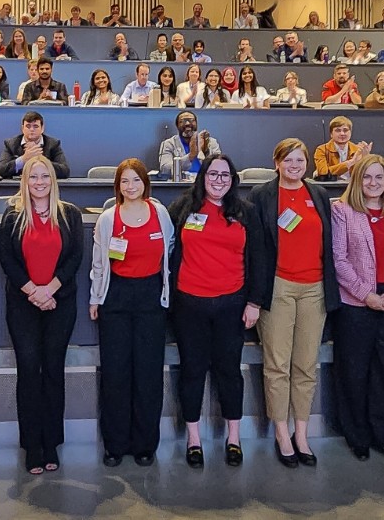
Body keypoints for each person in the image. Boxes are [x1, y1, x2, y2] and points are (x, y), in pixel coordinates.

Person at [247, 138, 339, 469]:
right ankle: (282, 434)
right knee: (277, 366)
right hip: (278, 288)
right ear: (276, 163)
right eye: (288, 160)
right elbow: (255, 249)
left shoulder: (319, 193)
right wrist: (254, 298)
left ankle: (302, 433)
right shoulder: (262, 195)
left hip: (315, 289)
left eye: (300, 160)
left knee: (305, 365)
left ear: (307, 163)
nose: (294, 165)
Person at [167, 154, 258, 469]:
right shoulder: (184, 207)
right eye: (213, 174)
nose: (218, 180)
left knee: (229, 371)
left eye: (225, 175)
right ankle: (194, 439)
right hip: (189, 304)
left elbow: (260, 258)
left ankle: (234, 438)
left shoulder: (245, 212)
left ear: (233, 180)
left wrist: (254, 302)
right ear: (202, 177)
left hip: (231, 305)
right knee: (192, 371)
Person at [0, 155, 83, 475]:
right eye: (33, 177)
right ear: (25, 181)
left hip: (61, 304)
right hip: (23, 305)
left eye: (45, 176)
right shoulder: (13, 215)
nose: (39, 182)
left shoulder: (70, 214)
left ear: (53, 180)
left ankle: (51, 444)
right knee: (29, 371)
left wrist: (50, 291)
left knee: (53, 371)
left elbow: (75, 258)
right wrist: (34, 291)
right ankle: (32, 445)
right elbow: (7, 259)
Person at [330, 154, 384, 465]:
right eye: (366, 176)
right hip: (356, 304)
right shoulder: (342, 210)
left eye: (379, 177)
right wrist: (367, 295)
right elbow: (339, 259)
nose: (373, 182)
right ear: (357, 179)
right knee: (354, 371)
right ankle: (358, 438)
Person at [90, 158, 174, 467]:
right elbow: (99, 263)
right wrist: (95, 298)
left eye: (136, 180)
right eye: (124, 181)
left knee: (148, 374)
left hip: (151, 297)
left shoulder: (160, 214)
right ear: (118, 186)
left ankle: (144, 445)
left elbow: (170, 249)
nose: (130, 186)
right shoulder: (107, 219)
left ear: (145, 183)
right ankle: (115, 444)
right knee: (116, 373)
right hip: (116, 298)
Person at [0, 111, 71, 179]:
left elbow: (65, 171)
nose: (31, 129)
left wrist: (41, 160)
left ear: (42, 128)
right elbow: (0, 170)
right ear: (22, 128)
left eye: (35, 126)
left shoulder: (53, 144)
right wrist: (23, 159)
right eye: (28, 126)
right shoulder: (11, 144)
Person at [159, 111, 221, 178]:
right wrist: (190, 156)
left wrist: (205, 151)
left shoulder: (211, 142)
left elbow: (219, 166)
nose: (187, 123)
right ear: (177, 126)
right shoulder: (168, 144)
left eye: (191, 120)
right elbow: (165, 169)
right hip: (180, 183)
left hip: (205, 182)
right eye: (182, 121)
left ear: (196, 124)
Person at [313, 116, 372, 181]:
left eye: (345, 130)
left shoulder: (358, 150)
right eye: (338, 130)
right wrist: (351, 162)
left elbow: (366, 175)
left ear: (350, 133)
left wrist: (366, 158)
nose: (342, 133)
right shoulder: (322, 149)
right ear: (331, 134)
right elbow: (323, 173)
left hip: (353, 185)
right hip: (330, 185)